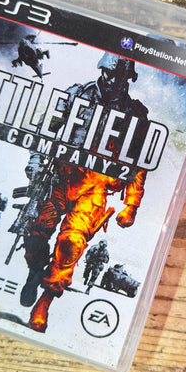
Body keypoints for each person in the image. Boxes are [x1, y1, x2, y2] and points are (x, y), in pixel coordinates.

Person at [21, 53, 149, 332]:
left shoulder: (136, 114)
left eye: (121, 77)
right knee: (34, 238)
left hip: (94, 189)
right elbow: (45, 129)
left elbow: (139, 163)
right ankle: (35, 270)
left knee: (70, 245)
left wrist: (132, 205)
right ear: (102, 70)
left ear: (129, 79)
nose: (114, 81)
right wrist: (35, 162)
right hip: (59, 178)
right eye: (111, 74)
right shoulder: (76, 95)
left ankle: (44, 302)